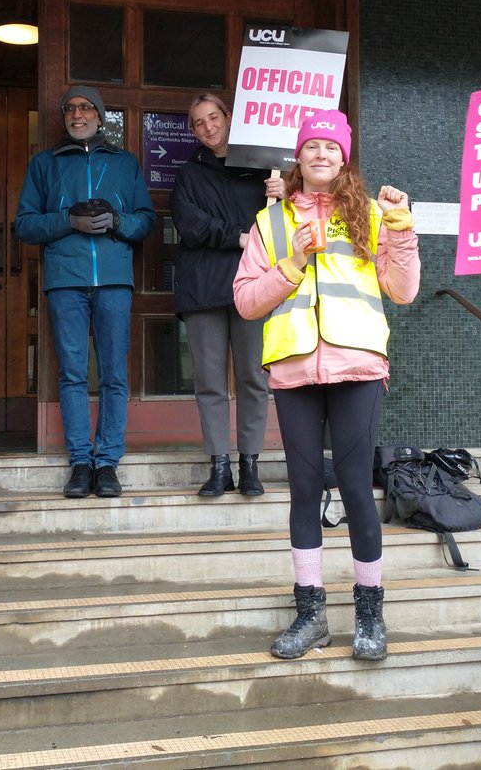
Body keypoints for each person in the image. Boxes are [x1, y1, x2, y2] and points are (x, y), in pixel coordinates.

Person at [233, 109, 419, 661]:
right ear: (299, 156)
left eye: (330, 147)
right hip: (293, 369)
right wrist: (292, 263)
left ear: (344, 156)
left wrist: (402, 229)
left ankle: (370, 613)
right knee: (304, 490)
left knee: (359, 486)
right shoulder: (270, 222)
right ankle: (311, 614)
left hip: (357, 364)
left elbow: (402, 290)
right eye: (310, 146)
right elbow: (245, 301)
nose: (320, 154)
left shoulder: (373, 213)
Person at [15, 86, 156, 498]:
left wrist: (117, 221)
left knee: (114, 374)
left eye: (86, 107)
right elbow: (25, 224)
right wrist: (67, 220)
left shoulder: (124, 163)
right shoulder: (45, 164)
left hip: (113, 279)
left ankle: (107, 462)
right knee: (72, 374)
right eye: (71, 109)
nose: (78, 114)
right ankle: (80, 462)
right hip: (66, 280)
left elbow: (146, 219)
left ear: (100, 115)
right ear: (64, 117)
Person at [171, 94, 283, 497]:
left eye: (214, 117)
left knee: (254, 377)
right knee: (209, 381)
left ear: (229, 118)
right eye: (199, 122)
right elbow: (189, 224)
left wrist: (287, 191)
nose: (208, 127)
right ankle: (219, 466)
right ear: (193, 130)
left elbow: (285, 224)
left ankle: (250, 464)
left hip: (255, 286)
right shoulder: (188, 174)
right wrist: (237, 236)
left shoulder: (263, 172)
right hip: (203, 289)